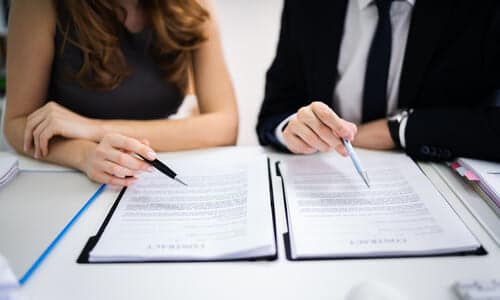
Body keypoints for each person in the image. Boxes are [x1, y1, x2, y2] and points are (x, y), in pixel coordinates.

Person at [4, 0, 238, 186]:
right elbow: (17, 123)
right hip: (72, 181)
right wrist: (84, 155)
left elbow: (225, 125)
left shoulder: (192, 6)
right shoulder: (38, 5)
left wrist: (94, 129)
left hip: (148, 176)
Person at [257, 0, 500, 162]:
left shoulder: (481, 8)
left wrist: (399, 130)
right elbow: (274, 113)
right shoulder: (309, 7)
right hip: (325, 182)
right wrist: (293, 129)